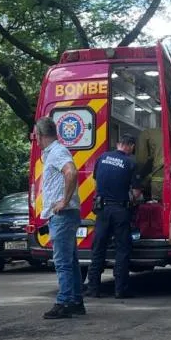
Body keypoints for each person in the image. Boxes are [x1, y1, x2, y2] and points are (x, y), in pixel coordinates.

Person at [34, 116, 84, 319]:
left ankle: (64, 301)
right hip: (66, 215)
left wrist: (64, 201)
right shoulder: (53, 152)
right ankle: (75, 301)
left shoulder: (56, 152)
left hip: (63, 214)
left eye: (35, 135)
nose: (34, 139)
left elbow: (71, 172)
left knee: (62, 261)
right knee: (71, 261)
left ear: (40, 135)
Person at [84, 133, 138, 299]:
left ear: (118, 143)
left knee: (98, 249)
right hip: (120, 211)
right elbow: (136, 193)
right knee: (122, 249)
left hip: (102, 210)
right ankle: (120, 290)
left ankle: (93, 288)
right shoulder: (130, 162)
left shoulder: (102, 158)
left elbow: (96, 181)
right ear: (130, 146)